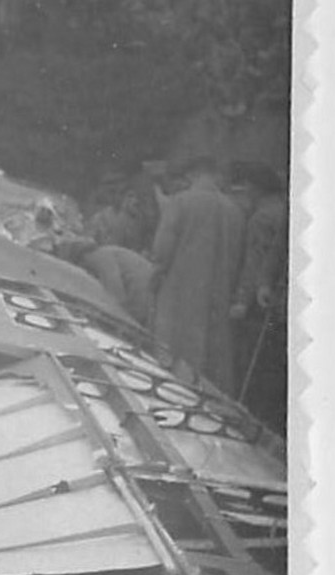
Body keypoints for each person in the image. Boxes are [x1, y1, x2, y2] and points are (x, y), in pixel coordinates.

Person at [151, 155, 245, 394]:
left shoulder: (180, 202)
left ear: (192, 175)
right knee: (211, 363)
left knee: (173, 353)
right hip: (218, 295)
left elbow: (162, 250)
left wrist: (156, 275)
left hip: (179, 290)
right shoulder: (235, 211)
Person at [229, 163, 287, 430]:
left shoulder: (261, 218)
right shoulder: (284, 210)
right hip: (282, 299)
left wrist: (242, 300)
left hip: (261, 305)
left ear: (256, 189)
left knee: (258, 368)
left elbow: (255, 263)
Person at [79, 245, 154, 326]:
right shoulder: (108, 251)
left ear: (82, 258)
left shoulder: (100, 257)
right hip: (149, 293)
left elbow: (116, 295)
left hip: (143, 294)